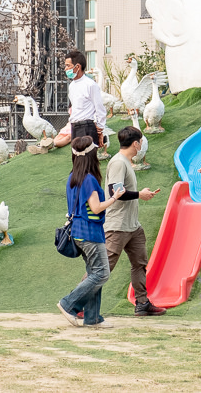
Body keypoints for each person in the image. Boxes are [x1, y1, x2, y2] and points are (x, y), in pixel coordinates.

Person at [57, 136, 124, 327]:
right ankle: (68, 303)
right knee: (101, 273)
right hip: (90, 233)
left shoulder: (73, 177)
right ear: (91, 155)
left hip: (77, 232)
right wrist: (114, 198)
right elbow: (96, 208)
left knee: (94, 273)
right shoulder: (89, 180)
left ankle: (92, 318)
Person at [105, 126, 167, 317]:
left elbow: (125, 191)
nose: (141, 144)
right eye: (140, 141)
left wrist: (140, 193)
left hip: (133, 226)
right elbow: (114, 192)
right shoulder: (118, 163)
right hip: (118, 226)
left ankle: (142, 302)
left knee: (139, 263)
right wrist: (140, 194)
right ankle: (77, 302)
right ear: (135, 143)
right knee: (103, 267)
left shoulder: (126, 162)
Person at [65, 50, 107, 151]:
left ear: (77, 67)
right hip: (75, 127)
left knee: (87, 162)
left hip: (87, 127)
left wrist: (100, 130)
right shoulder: (71, 86)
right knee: (77, 162)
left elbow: (99, 108)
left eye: (68, 66)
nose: (65, 69)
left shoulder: (90, 85)